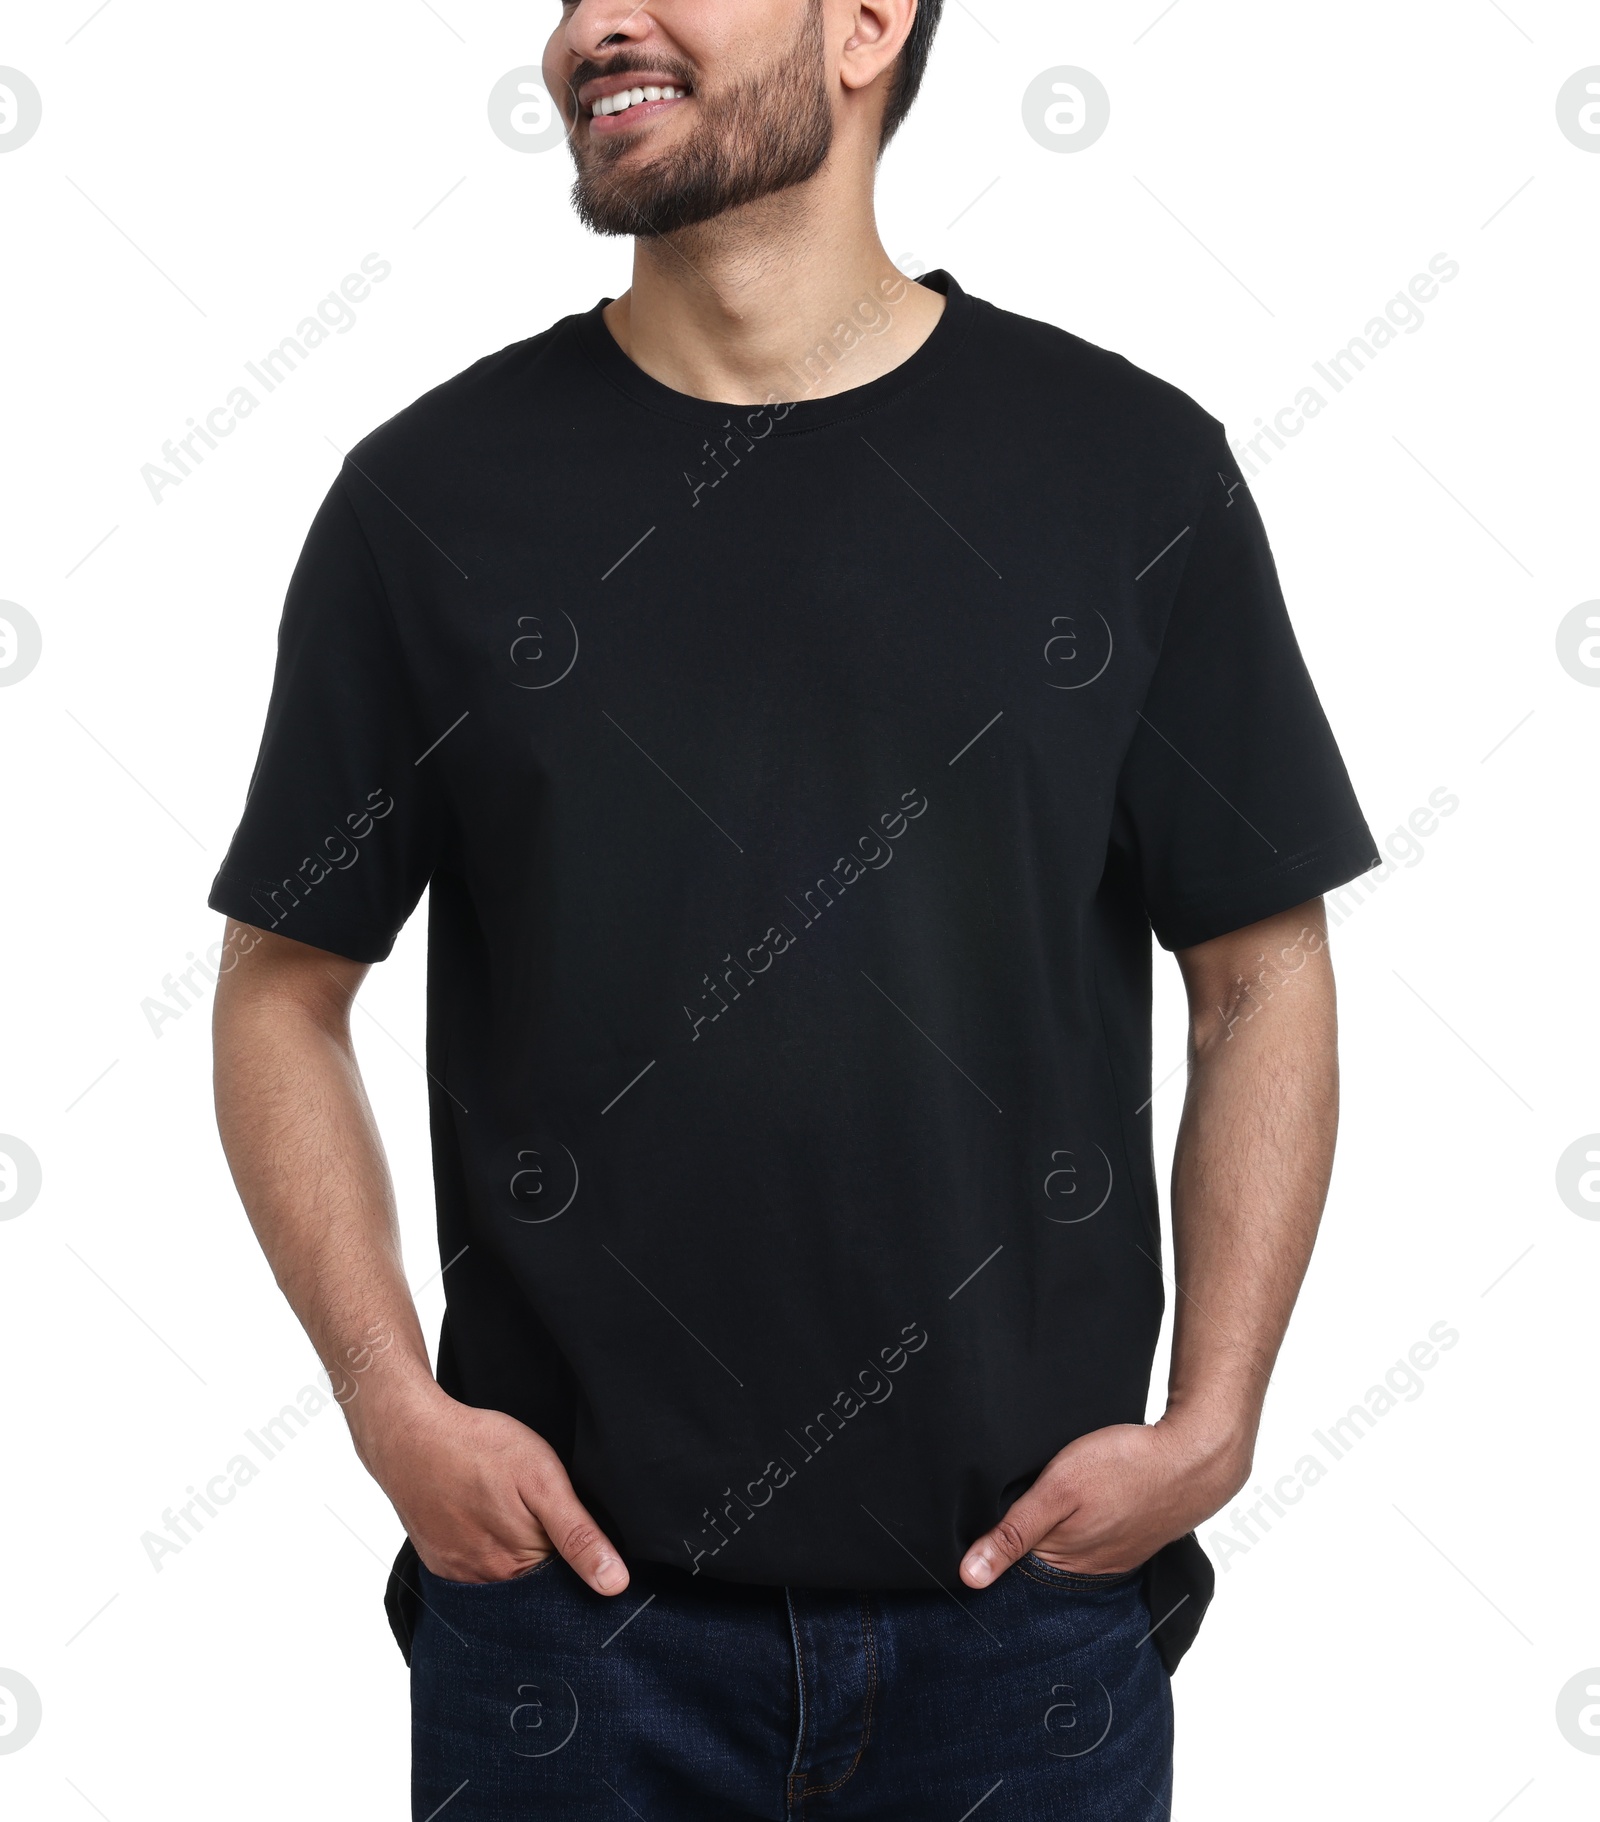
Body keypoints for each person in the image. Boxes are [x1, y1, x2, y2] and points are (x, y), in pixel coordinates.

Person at [208, 2, 1379, 1815]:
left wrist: (1216, 1419)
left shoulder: (1132, 474)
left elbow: (1259, 971)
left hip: (1026, 1631)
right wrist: (389, 1404)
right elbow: (280, 991)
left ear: (863, 24)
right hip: (570, 1638)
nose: (598, 23)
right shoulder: (426, 504)